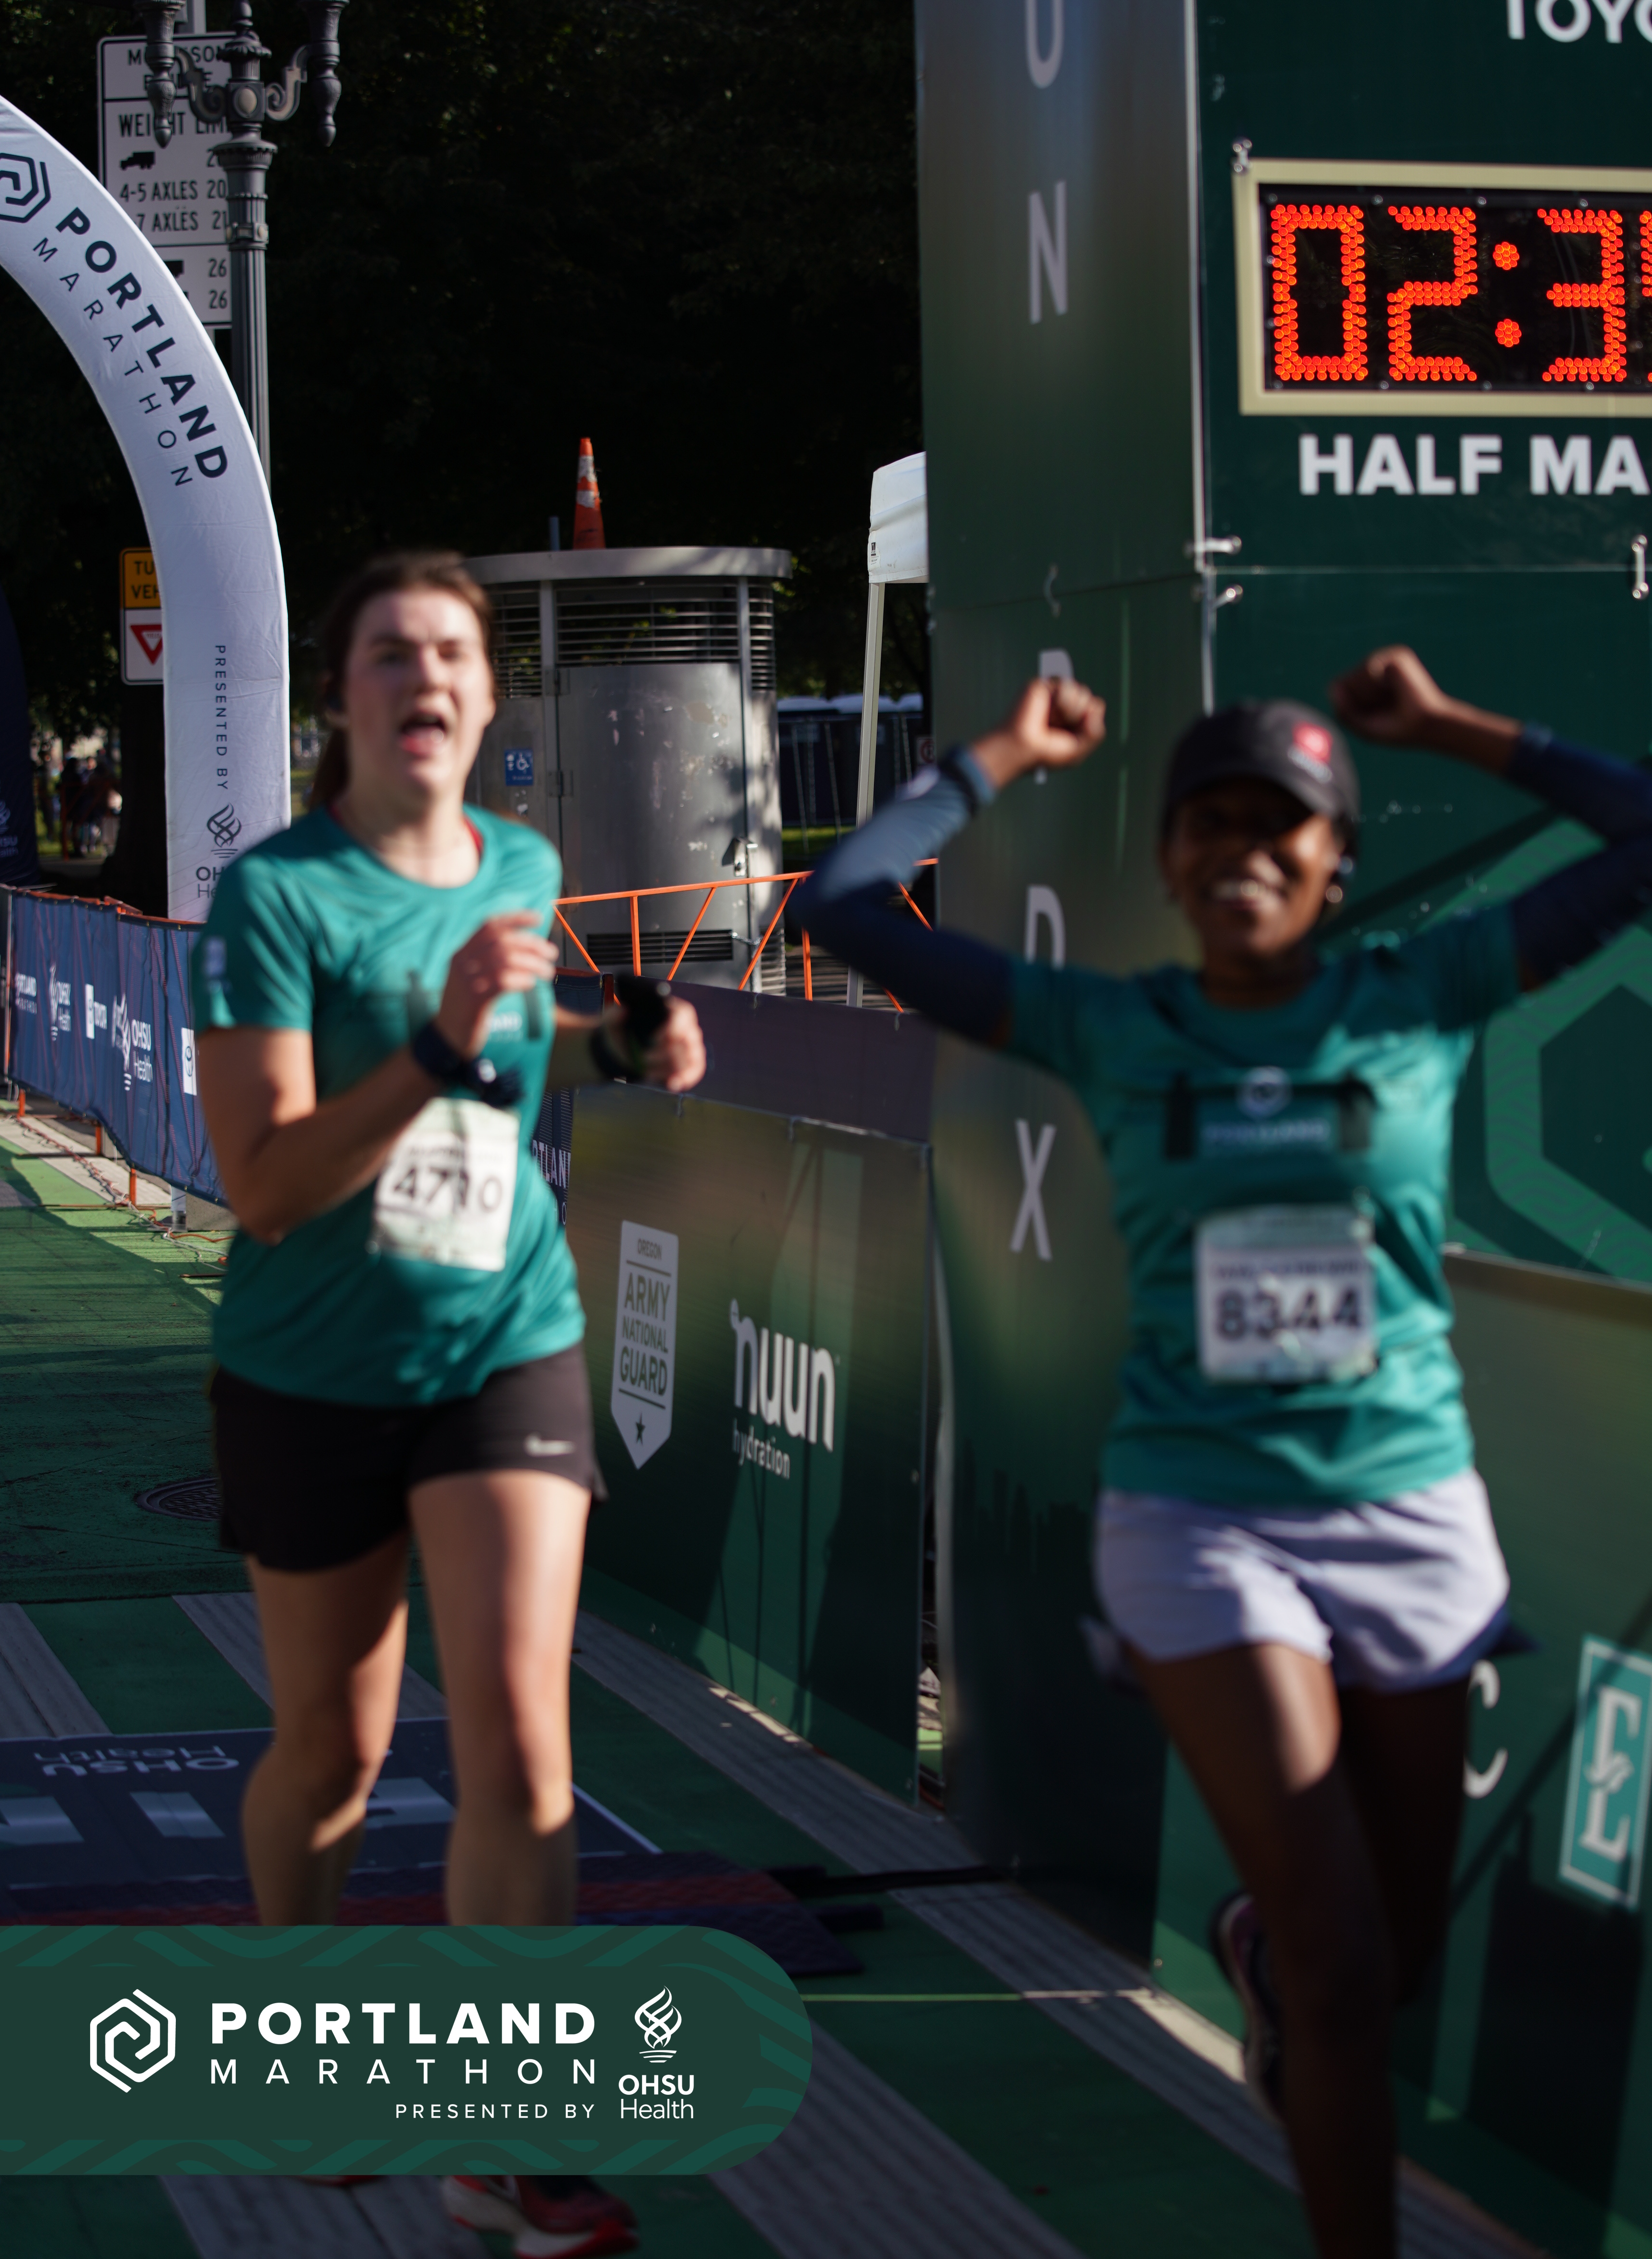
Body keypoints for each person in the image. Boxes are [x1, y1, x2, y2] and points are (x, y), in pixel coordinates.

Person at [793, 646, 1652, 2259]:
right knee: (1342, 1967)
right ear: (1172, 862)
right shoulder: (1115, 1028)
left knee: (1383, 1966)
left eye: (1283, 825)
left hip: (1409, 1512)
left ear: (1338, 862)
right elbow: (840, 908)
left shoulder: (1419, 996)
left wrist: (1457, 725)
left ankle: (1260, 1951)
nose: (1246, 850)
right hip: (1200, 1522)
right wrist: (999, 753)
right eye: (1214, 823)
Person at [191, 546, 705, 2259]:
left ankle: (510, 2148)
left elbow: (514, 1057)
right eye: (390, 654)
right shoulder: (276, 902)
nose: (424, 679)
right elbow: (265, 1185)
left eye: (452, 657)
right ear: (339, 700)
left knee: (520, 1740)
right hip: (312, 1370)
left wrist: (617, 1048)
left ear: (488, 700)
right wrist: (429, 1040)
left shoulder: (524, 863)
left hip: (505, 1339)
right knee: (333, 1759)